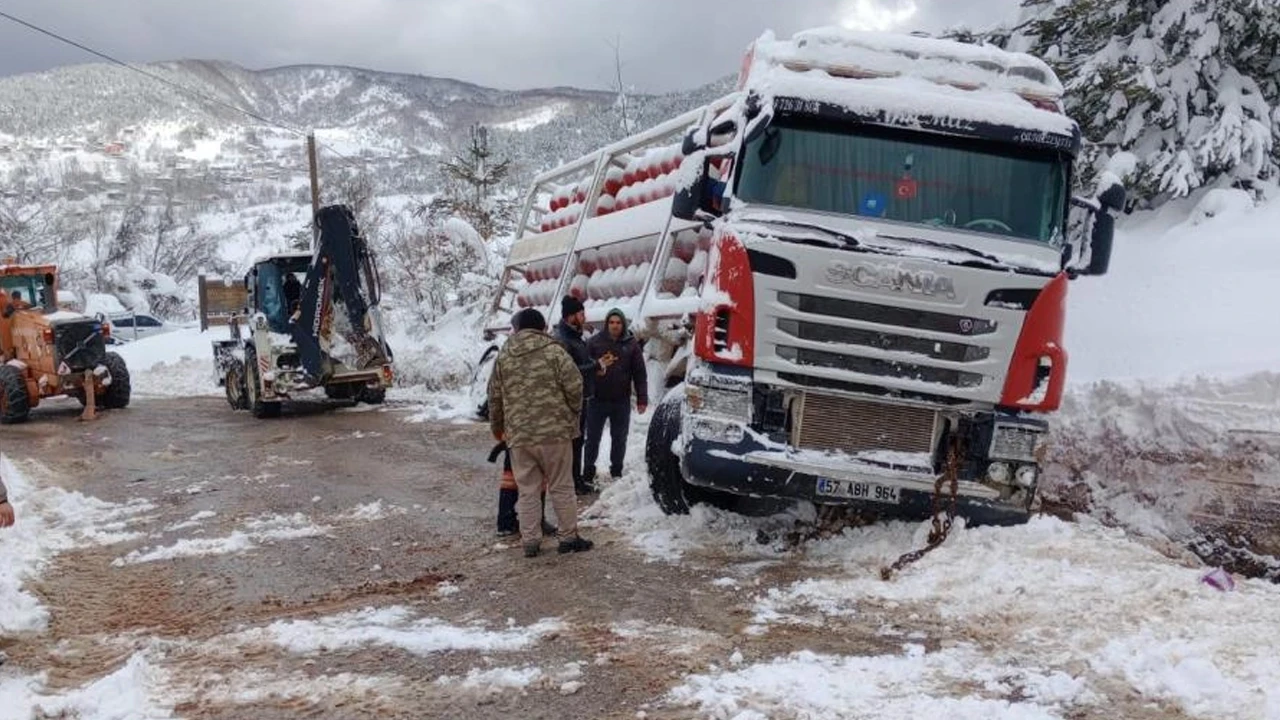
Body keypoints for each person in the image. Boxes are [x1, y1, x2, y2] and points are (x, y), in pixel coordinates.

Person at [487, 307, 592, 558]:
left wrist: (498, 429)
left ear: (518, 329)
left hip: (520, 437)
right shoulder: (554, 352)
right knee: (561, 486)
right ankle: (568, 538)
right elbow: (576, 385)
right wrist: (571, 413)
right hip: (555, 434)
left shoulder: (504, 356)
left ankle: (531, 542)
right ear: (542, 327)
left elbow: (494, 397)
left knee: (528, 490)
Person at [584, 308, 648, 483]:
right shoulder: (594, 343)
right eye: (611, 322)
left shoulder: (631, 344)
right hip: (597, 399)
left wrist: (642, 398)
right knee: (592, 438)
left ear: (623, 324)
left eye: (618, 323)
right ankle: (588, 471)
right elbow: (584, 368)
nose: (614, 326)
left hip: (621, 401)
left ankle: (616, 472)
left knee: (619, 438)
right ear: (606, 324)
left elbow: (639, 373)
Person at [554, 295, 603, 495]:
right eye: (581, 313)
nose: (585, 317)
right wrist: (594, 366)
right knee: (573, 441)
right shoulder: (563, 340)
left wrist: (594, 366)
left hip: (580, 396)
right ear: (570, 316)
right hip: (570, 399)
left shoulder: (574, 336)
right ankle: (572, 482)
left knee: (578, 440)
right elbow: (569, 370)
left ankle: (576, 479)